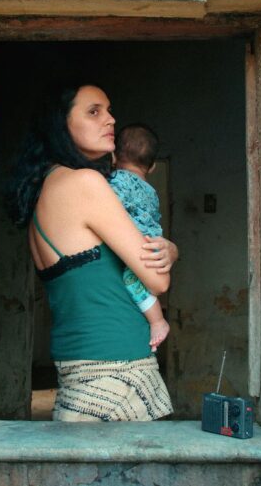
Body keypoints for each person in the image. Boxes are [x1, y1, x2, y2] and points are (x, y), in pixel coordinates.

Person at [6, 83, 178, 422]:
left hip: (78, 369)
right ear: (61, 124)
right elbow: (158, 281)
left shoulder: (46, 190)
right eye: (94, 111)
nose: (110, 119)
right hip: (117, 374)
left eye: (109, 110)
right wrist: (170, 250)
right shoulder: (85, 183)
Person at [110, 124, 169, 353]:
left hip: (137, 246)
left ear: (114, 157)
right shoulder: (151, 192)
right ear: (152, 166)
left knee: (132, 282)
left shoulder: (113, 182)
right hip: (152, 244)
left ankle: (158, 321)